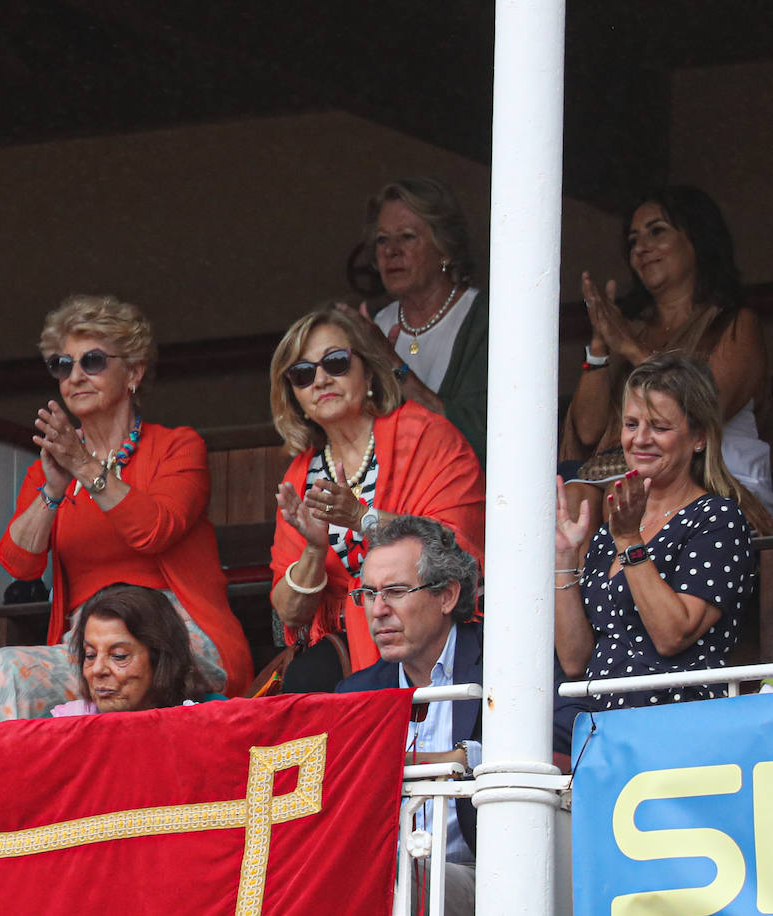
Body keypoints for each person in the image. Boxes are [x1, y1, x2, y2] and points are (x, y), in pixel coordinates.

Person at [0, 295, 252, 723]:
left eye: (93, 362)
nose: (75, 376)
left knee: (31, 668)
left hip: (177, 635)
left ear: (133, 372)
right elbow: (19, 565)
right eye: (63, 365)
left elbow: (156, 530)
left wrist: (83, 464)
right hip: (91, 646)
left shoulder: (177, 446)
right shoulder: (52, 468)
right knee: (1, 670)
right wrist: (53, 490)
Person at [269, 303, 485, 684]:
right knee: (305, 685)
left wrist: (360, 518)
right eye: (302, 374)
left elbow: (456, 552)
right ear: (295, 397)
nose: (319, 380)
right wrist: (315, 550)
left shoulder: (426, 436)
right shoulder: (300, 474)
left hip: (435, 630)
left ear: (367, 370)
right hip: (349, 646)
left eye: (335, 363)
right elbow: (290, 614)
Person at [562, 186, 773, 532]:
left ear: (698, 241)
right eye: (633, 241)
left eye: (657, 231)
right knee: (578, 501)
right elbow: (587, 431)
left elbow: (702, 407)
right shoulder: (628, 328)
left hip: (715, 484)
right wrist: (601, 344)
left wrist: (629, 348)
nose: (641, 249)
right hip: (632, 477)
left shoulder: (735, 325)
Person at [555, 354, 757, 708]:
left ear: (699, 438)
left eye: (659, 427)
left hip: (676, 719)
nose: (640, 439)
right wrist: (563, 560)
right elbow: (575, 661)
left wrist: (631, 542)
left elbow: (672, 635)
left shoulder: (717, 519)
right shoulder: (612, 531)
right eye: (631, 425)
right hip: (603, 727)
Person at [335, 515, 484, 916]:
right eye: (368, 594)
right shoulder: (354, 695)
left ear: (447, 595)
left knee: (387, 881)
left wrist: (466, 758)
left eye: (396, 591)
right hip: (389, 876)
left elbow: (564, 740)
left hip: (486, 873)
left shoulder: (502, 661)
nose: (378, 610)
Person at [365, 178, 489, 465]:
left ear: (445, 249)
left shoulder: (485, 320)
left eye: (407, 237)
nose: (391, 251)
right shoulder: (373, 325)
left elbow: (481, 436)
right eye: (382, 239)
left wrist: (391, 364)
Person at [52, 584, 219, 717]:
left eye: (119, 656)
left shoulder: (216, 719)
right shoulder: (67, 728)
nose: (97, 670)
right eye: (90, 655)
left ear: (160, 659)